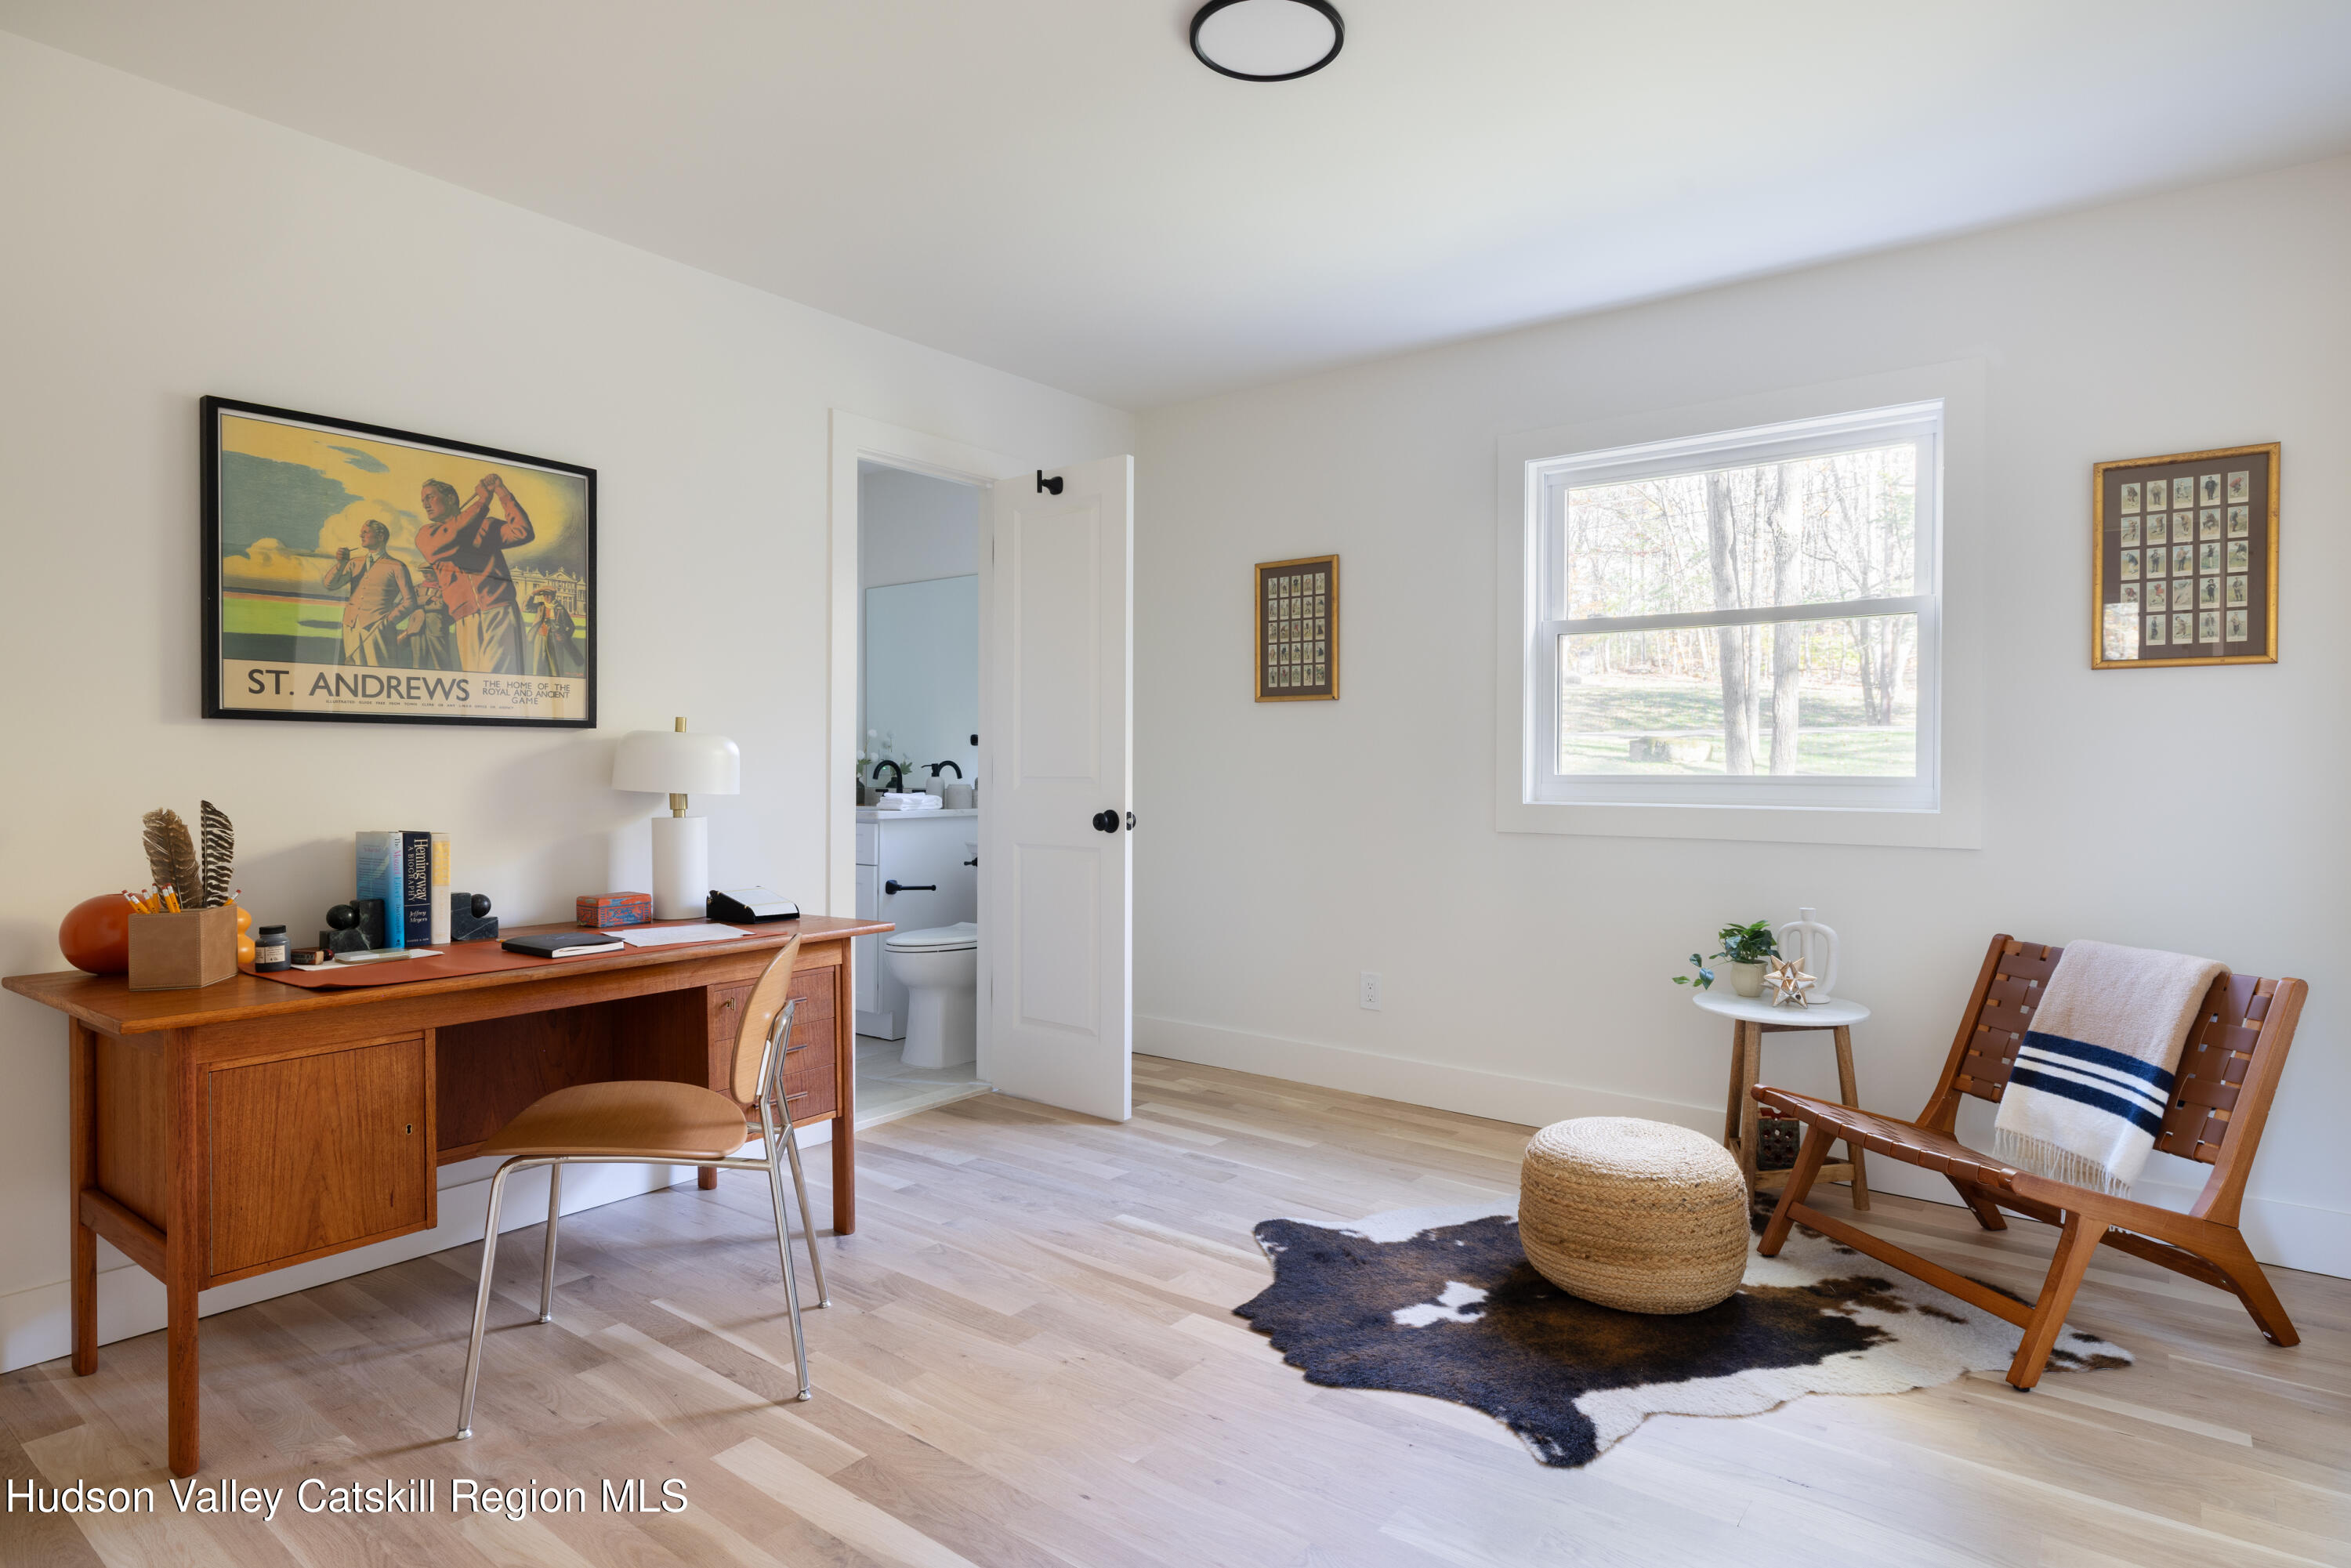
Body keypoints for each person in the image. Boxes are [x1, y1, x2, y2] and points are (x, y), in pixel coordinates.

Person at [415, 472, 533, 672]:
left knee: (496, 678)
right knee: (477, 685)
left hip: (499, 610)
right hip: (465, 618)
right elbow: (450, 537)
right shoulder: (428, 534)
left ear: (450, 498)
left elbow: (522, 532)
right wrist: (482, 502)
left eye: (430, 497)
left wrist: (501, 492)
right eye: (423, 500)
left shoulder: (486, 525)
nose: (425, 504)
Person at [321, 520, 417, 667]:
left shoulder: (397, 566)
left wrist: (388, 622)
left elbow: (410, 602)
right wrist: (341, 564)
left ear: (380, 537)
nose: (361, 535)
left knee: (380, 669)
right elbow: (330, 584)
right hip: (351, 626)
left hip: (379, 629)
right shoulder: (355, 563)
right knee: (353, 670)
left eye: (365, 532)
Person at [397, 574, 457, 670]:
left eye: (429, 572)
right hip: (416, 628)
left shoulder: (446, 588)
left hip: (437, 627)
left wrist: (420, 604)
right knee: (418, 663)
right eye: (424, 572)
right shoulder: (417, 588)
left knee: (442, 662)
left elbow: (442, 605)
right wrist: (430, 599)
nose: (425, 575)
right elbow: (408, 602)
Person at [526, 587, 584, 678]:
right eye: (544, 595)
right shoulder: (540, 606)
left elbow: (571, 626)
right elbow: (526, 607)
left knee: (555, 667)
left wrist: (564, 636)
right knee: (538, 665)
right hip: (540, 638)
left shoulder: (560, 608)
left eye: (548, 595)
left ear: (553, 596)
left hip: (554, 640)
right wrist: (534, 593)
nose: (546, 597)